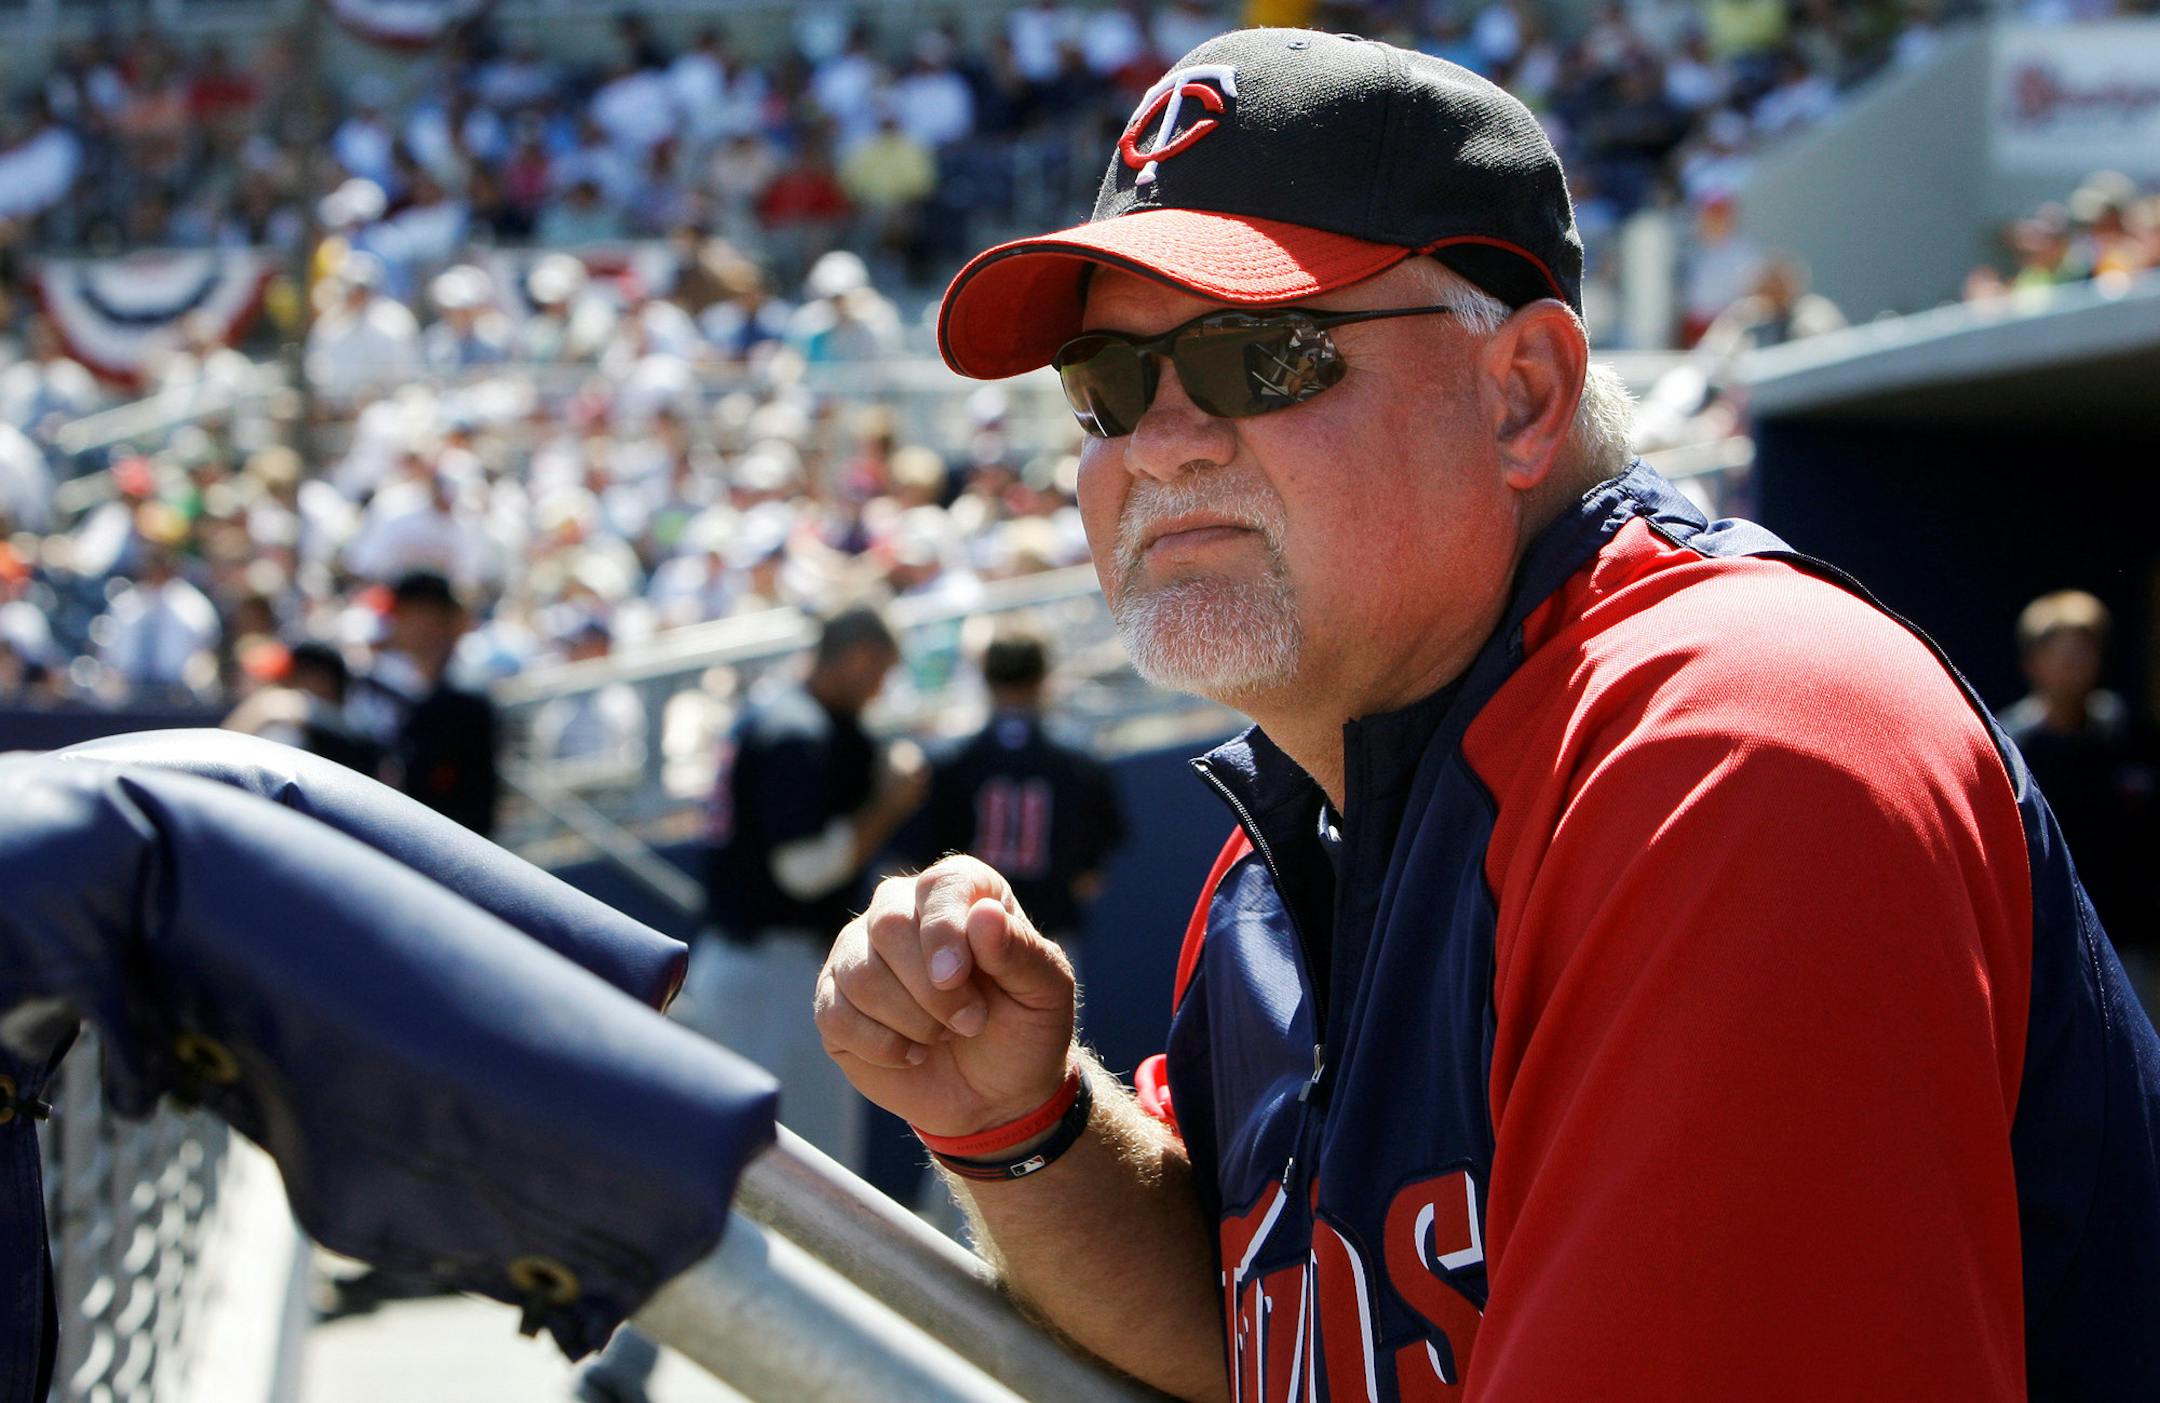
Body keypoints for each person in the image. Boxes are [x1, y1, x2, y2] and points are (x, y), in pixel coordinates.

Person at [813, 28, 2160, 1402]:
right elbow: (1269, 1349)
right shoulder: (1296, 832)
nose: (1158, 441)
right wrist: (1020, 1127)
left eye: (1257, 355)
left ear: (1521, 394)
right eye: (1107, 381)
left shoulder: (1734, 748)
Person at [692, 602, 928, 1169]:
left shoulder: (778, 715)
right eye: (880, 671)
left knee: (768, 1167)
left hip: (748, 964)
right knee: (808, 1169)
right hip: (772, 970)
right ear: (857, 657)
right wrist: (887, 805)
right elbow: (802, 871)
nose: (880, 689)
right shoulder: (797, 731)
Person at [911, 625, 1126, 959]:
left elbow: (920, 861)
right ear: (1043, 676)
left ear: (985, 677)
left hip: (967, 936)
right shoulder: (1078, 761)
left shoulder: (950, 762)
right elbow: (1090, 875)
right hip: (1048, 934)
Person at [2002, 590, 2160, 1015]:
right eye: (2064, 654)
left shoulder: (2128, 737)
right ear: (2033, 662)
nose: (2076, 667)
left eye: (2086, 652)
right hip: (2050, 948)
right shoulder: (2012, 748)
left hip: (2129, 943)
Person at [348, 571, 500, 838]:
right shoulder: (401, 687)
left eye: (408, 613)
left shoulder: (464, 698)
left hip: (447, 851)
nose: (397, 623)